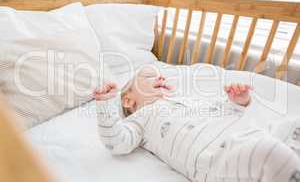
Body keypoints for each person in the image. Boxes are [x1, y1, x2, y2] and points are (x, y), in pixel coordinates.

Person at [93, 68, 300, 182]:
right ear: (129, 100)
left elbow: (225, 113)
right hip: (216, 162)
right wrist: (105, 105)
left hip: (247, 135)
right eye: (149, 77)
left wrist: (238, 101)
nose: (160, 77)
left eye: (161, 75)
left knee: (291, 126)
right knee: (269, 153)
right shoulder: (140, 119)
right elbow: (116, 142)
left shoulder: (187, 100)